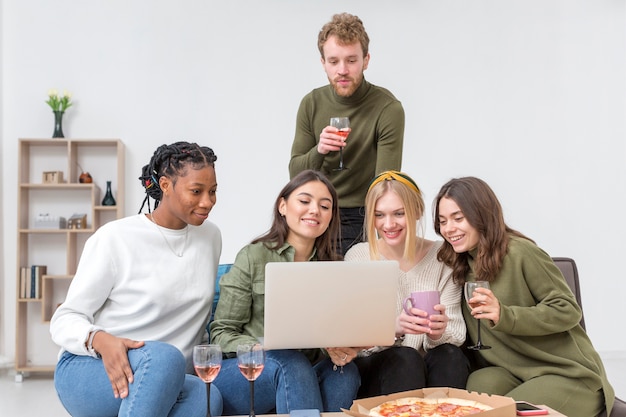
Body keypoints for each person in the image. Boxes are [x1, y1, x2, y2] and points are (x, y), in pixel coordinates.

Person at [50, 141, 223, 417]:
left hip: (170, 376)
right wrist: (102, 340)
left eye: (213, 191)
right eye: (196, 191)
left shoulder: (210, 237)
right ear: (165, 185)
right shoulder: (115, 238)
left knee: (207, 399)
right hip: (94, 367)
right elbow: (64, 319)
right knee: (165, 359)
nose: (207, 202)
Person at [434, 176, 615, 417]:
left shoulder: (520, 253)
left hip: (566, 372)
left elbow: (567, 309)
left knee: (507, 413)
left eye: (458, 218)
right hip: (509, 370)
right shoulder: (460, 264)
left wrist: (505, 314)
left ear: (481, 214)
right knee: (474, 397)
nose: (449, 229)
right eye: (443, 221)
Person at [210, 170, 360, 415]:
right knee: (290, 362)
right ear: (282, 206)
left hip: (301, 373)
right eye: (304, 201)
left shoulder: (333, 268)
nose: (314, 210)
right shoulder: (254, 256)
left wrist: (337, 348)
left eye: (325, 206)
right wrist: (259, 346)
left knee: (344, 371)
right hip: (247, 372)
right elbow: (220, 334)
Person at [344, 171, 468, 398]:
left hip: (430, 362)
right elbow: (352, 340)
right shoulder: (358, 257)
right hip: (379, 367)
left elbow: (456, 334)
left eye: (399, 213)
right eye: (379, 215)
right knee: (406, 358)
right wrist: (394, 329)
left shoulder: (443, 256)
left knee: (450, 355)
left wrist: (437, 333)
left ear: (417, 211)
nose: (388, 224)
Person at [289, 12, 405, 255]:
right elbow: (295, 174)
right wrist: (319, 150)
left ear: (366, 60)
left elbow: (384, 183)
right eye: (333, 61)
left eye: (351, 60)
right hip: (311, 210)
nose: (342, 70)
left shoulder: (387, 108)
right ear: (323, 63)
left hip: (356, 214)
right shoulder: (311, 103)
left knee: (343, 287)